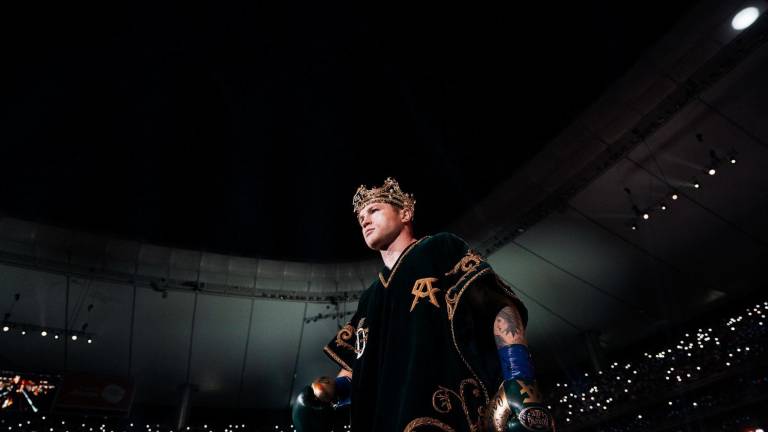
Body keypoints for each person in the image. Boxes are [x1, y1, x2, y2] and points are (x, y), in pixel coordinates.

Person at [293, 178, 554, 432]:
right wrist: (326, 395)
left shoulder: (440, 248)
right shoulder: (370, 297)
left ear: (405, 213)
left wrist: (519, 377)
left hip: (447, 418)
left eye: (374, 210)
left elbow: (498, 307)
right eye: (361, 217)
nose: (365, 220)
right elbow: (358, 371)